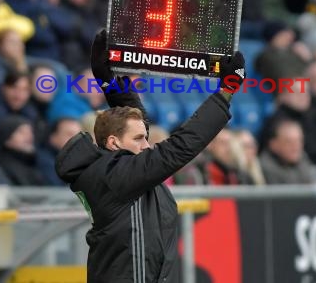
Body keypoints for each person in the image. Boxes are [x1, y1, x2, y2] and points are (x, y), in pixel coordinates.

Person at [55, 29, 245, 283]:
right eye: (139, 140)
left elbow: (136, 123)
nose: (147, 145)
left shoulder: (117, 168)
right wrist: (225, 92)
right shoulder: (115, 176)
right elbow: (179, 147)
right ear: (113, 143)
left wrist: (109, 80)